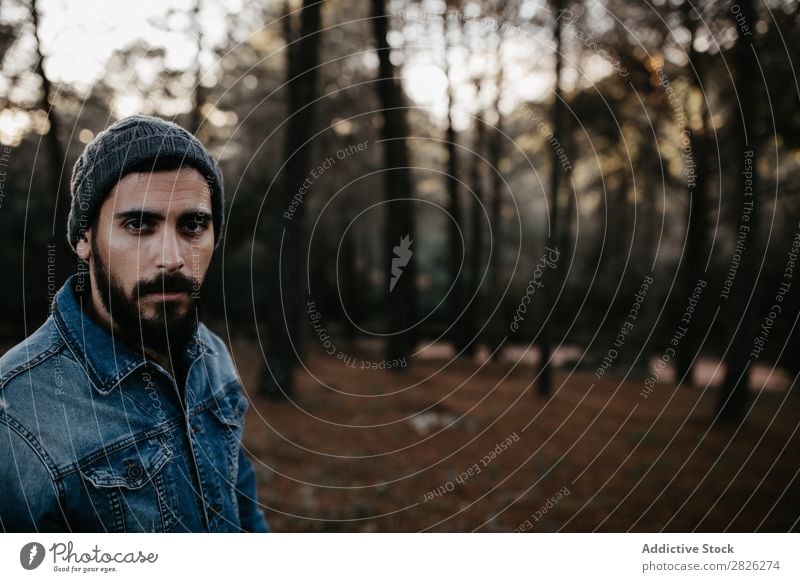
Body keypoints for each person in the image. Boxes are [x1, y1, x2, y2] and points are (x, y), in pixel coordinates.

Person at [0, 115, 269, 532]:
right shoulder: (17, 413)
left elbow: (241, 502)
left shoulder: (211, 353)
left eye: (193, 225)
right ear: (84, 238)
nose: (172, 258)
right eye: (139, 224)